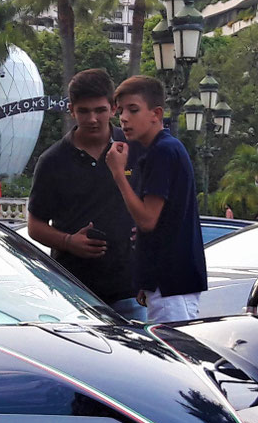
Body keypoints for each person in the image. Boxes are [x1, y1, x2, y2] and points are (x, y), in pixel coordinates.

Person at [28, 69, 140, 318]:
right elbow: (35, 226)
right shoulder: (52, 161)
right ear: (71, 111)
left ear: (113, 108)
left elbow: (161, 206)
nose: (92, 119)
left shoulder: (136, 150)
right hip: (72, 293)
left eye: (100, 110)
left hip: (129, 290)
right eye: (84, 111)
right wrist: (69, 242)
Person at [107, 75, 206, 323]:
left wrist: (118, 174)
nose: (124, 118)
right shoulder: (164, 148)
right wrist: (147, 279)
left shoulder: (162, 151)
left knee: (173, 345)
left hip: (171, 282)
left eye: (133, 110)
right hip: (169, 280)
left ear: (156, 113)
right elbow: (162, 222)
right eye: (121, 111)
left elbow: (147, 220)